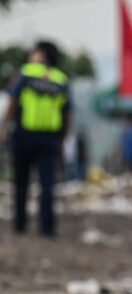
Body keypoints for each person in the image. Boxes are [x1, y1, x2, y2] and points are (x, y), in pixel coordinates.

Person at [1, 40, 71, 236]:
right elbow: (67, 114)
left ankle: (20, 225)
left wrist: (5, 126)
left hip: (24, 135)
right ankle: (47, 228)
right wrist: (62, 141)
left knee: (21, 183)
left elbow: (13, 101)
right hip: (50, 138)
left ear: (42, 54)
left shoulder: (27, 72)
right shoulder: (61, 79)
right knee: (47, 184)